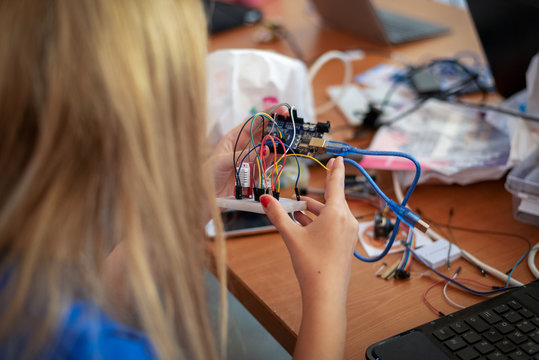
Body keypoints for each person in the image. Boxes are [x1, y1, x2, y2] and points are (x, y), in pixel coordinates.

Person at [0, 0, 359, 359]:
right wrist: (325, 288)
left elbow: (95, 303)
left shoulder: (23, 277)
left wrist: (196, 200)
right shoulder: (101, 350)